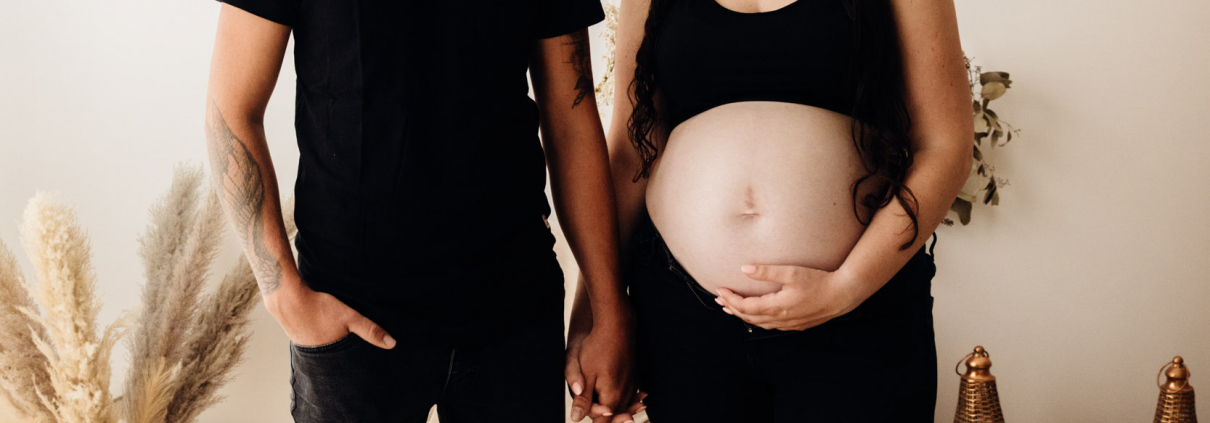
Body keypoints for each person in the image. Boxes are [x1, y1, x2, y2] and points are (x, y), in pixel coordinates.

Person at [203, 1, 639, 421]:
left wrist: (609, 308)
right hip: (352, 321)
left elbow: (572, 122)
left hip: (514, 313)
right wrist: (282, 293)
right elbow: (232, 110)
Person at [565, 0, 973, 421]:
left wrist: (847, 286)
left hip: (859, 313)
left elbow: (945, 147)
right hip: (682, 316)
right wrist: (597, 312)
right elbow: (632, 152)